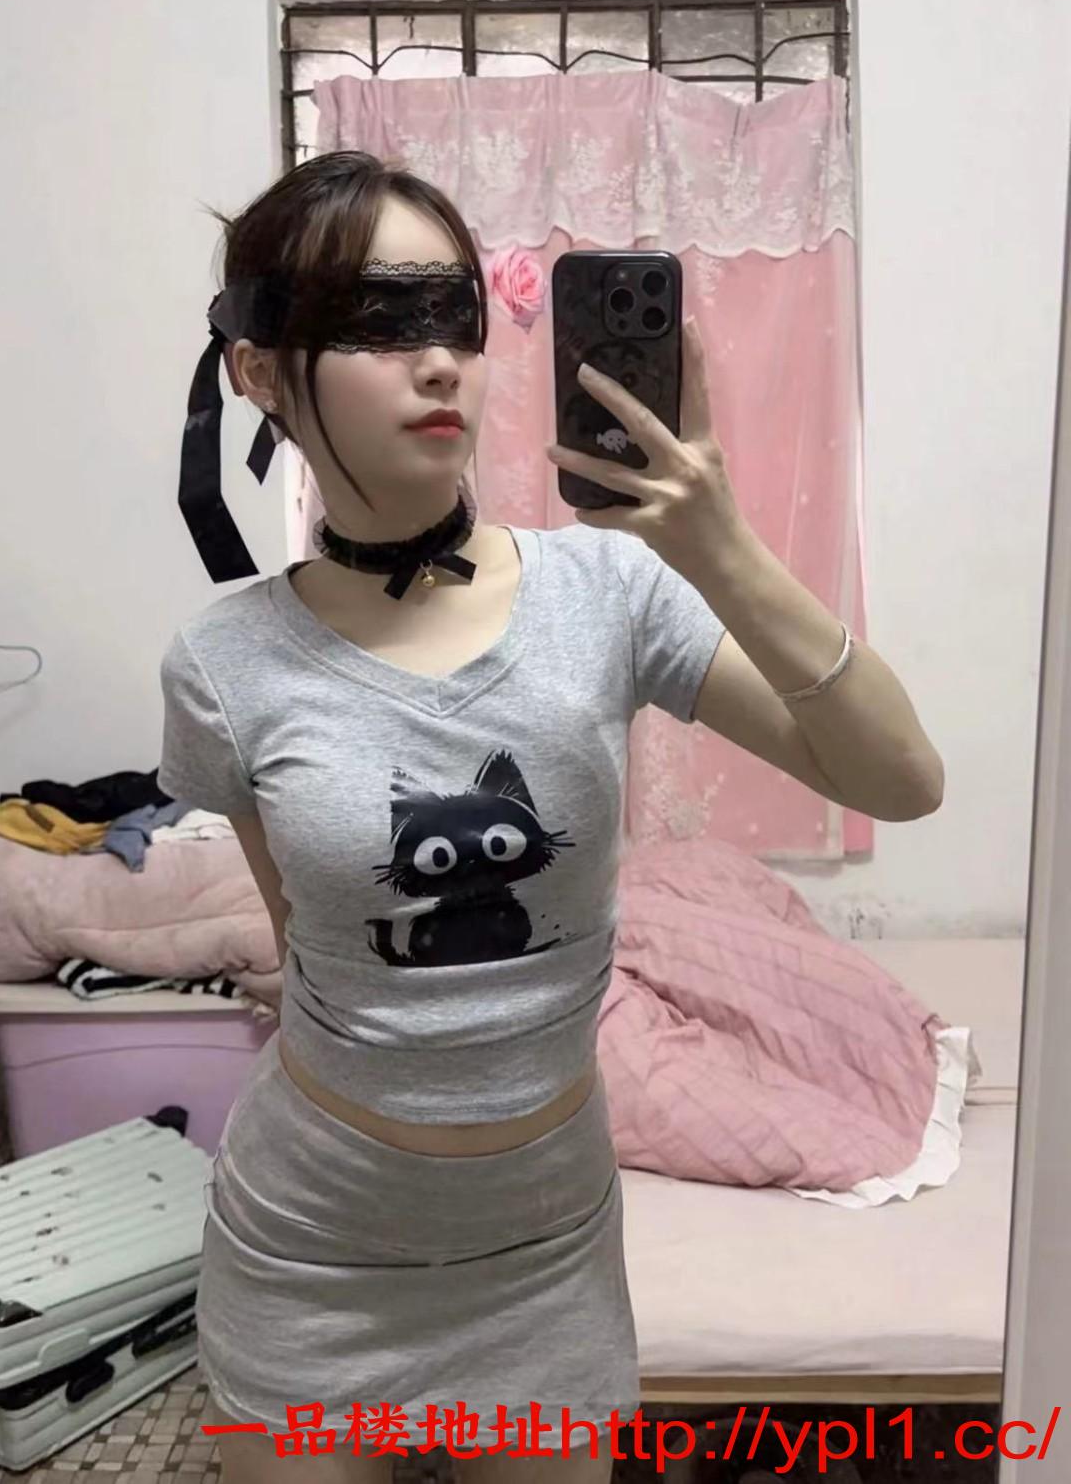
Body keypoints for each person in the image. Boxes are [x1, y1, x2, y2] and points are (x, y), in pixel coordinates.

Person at [158, 151, 944, 1484]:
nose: (438, 360)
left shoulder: (607, 594)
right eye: (378, 320)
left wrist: (719, 544)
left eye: (455, 314)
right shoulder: (223, 664)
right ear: (259, 372)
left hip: (544, 1260)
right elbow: (311, 951)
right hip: (310, 1249)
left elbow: (901, 778)